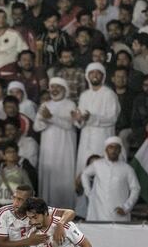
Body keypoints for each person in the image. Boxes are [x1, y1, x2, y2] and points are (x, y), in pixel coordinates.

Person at [34, 78, 77, 209]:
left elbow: (69, 125)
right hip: (48, 150)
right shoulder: (45, 105)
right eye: (52, 87)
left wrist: (50, 118)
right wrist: (44, 120)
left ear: (65, 89)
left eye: (58, 87)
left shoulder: (70, 105)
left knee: (65, 177)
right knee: (49, 180)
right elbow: (36, 127)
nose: (54, 90)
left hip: (65, 149)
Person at [81, 137, 140, 222]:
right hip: (98, 211)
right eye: (111, 147)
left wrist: (126, 207)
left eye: (117, 148)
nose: (114, 150)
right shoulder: (97, 164)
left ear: (120, 150)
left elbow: (136, 188)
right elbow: (84, 174)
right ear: (106, 149)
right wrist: (88, 192)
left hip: (118, 213)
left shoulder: (127, 169)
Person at [75, 62, 120, 173]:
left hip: (102, 137)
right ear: (87, 76)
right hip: (85, 139)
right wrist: (78, 119)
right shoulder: (84, 95)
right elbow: (80, 120)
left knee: (101, 170)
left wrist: (92, 118)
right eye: (91, 73)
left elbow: (112, 118)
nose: (95, 75)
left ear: (103, 76)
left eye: (98, 73)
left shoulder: (109, 94)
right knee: (84, 170)